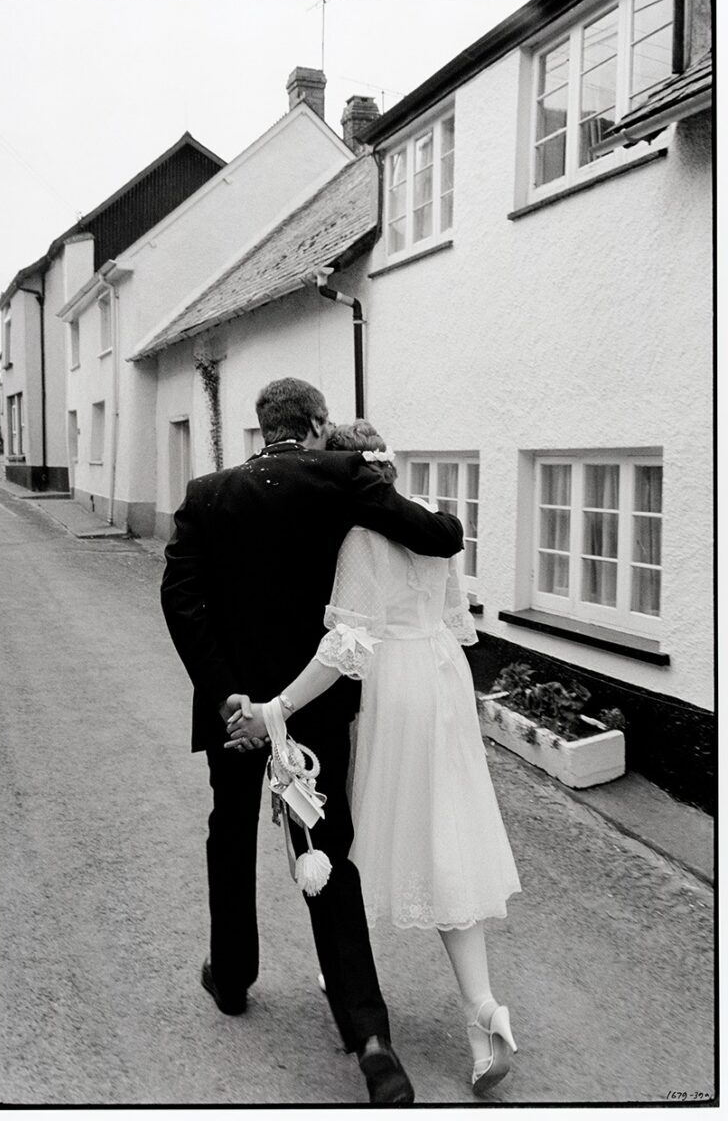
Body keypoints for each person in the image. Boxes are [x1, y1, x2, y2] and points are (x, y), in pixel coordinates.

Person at [160, 379, 463, 1105]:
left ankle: (230, 979)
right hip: (312, 710)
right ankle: (369, 1039)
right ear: (320, 425)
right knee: (327, 857)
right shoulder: (343, 478)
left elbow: (181, 597)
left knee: (228, 833)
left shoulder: (206, 493)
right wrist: (441, 515)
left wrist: (229, 691)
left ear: (261, 429)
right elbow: (438, 537)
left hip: (236, 712)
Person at [226, 421, 521, 1095]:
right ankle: (482, 1012)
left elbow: (347, 649)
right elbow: (454, 622)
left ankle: (344, 977)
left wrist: (278, 708)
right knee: (448, 842)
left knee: (358, 840)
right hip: (447, 683)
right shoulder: (428, 523)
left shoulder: (362, 538)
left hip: (399, 691)